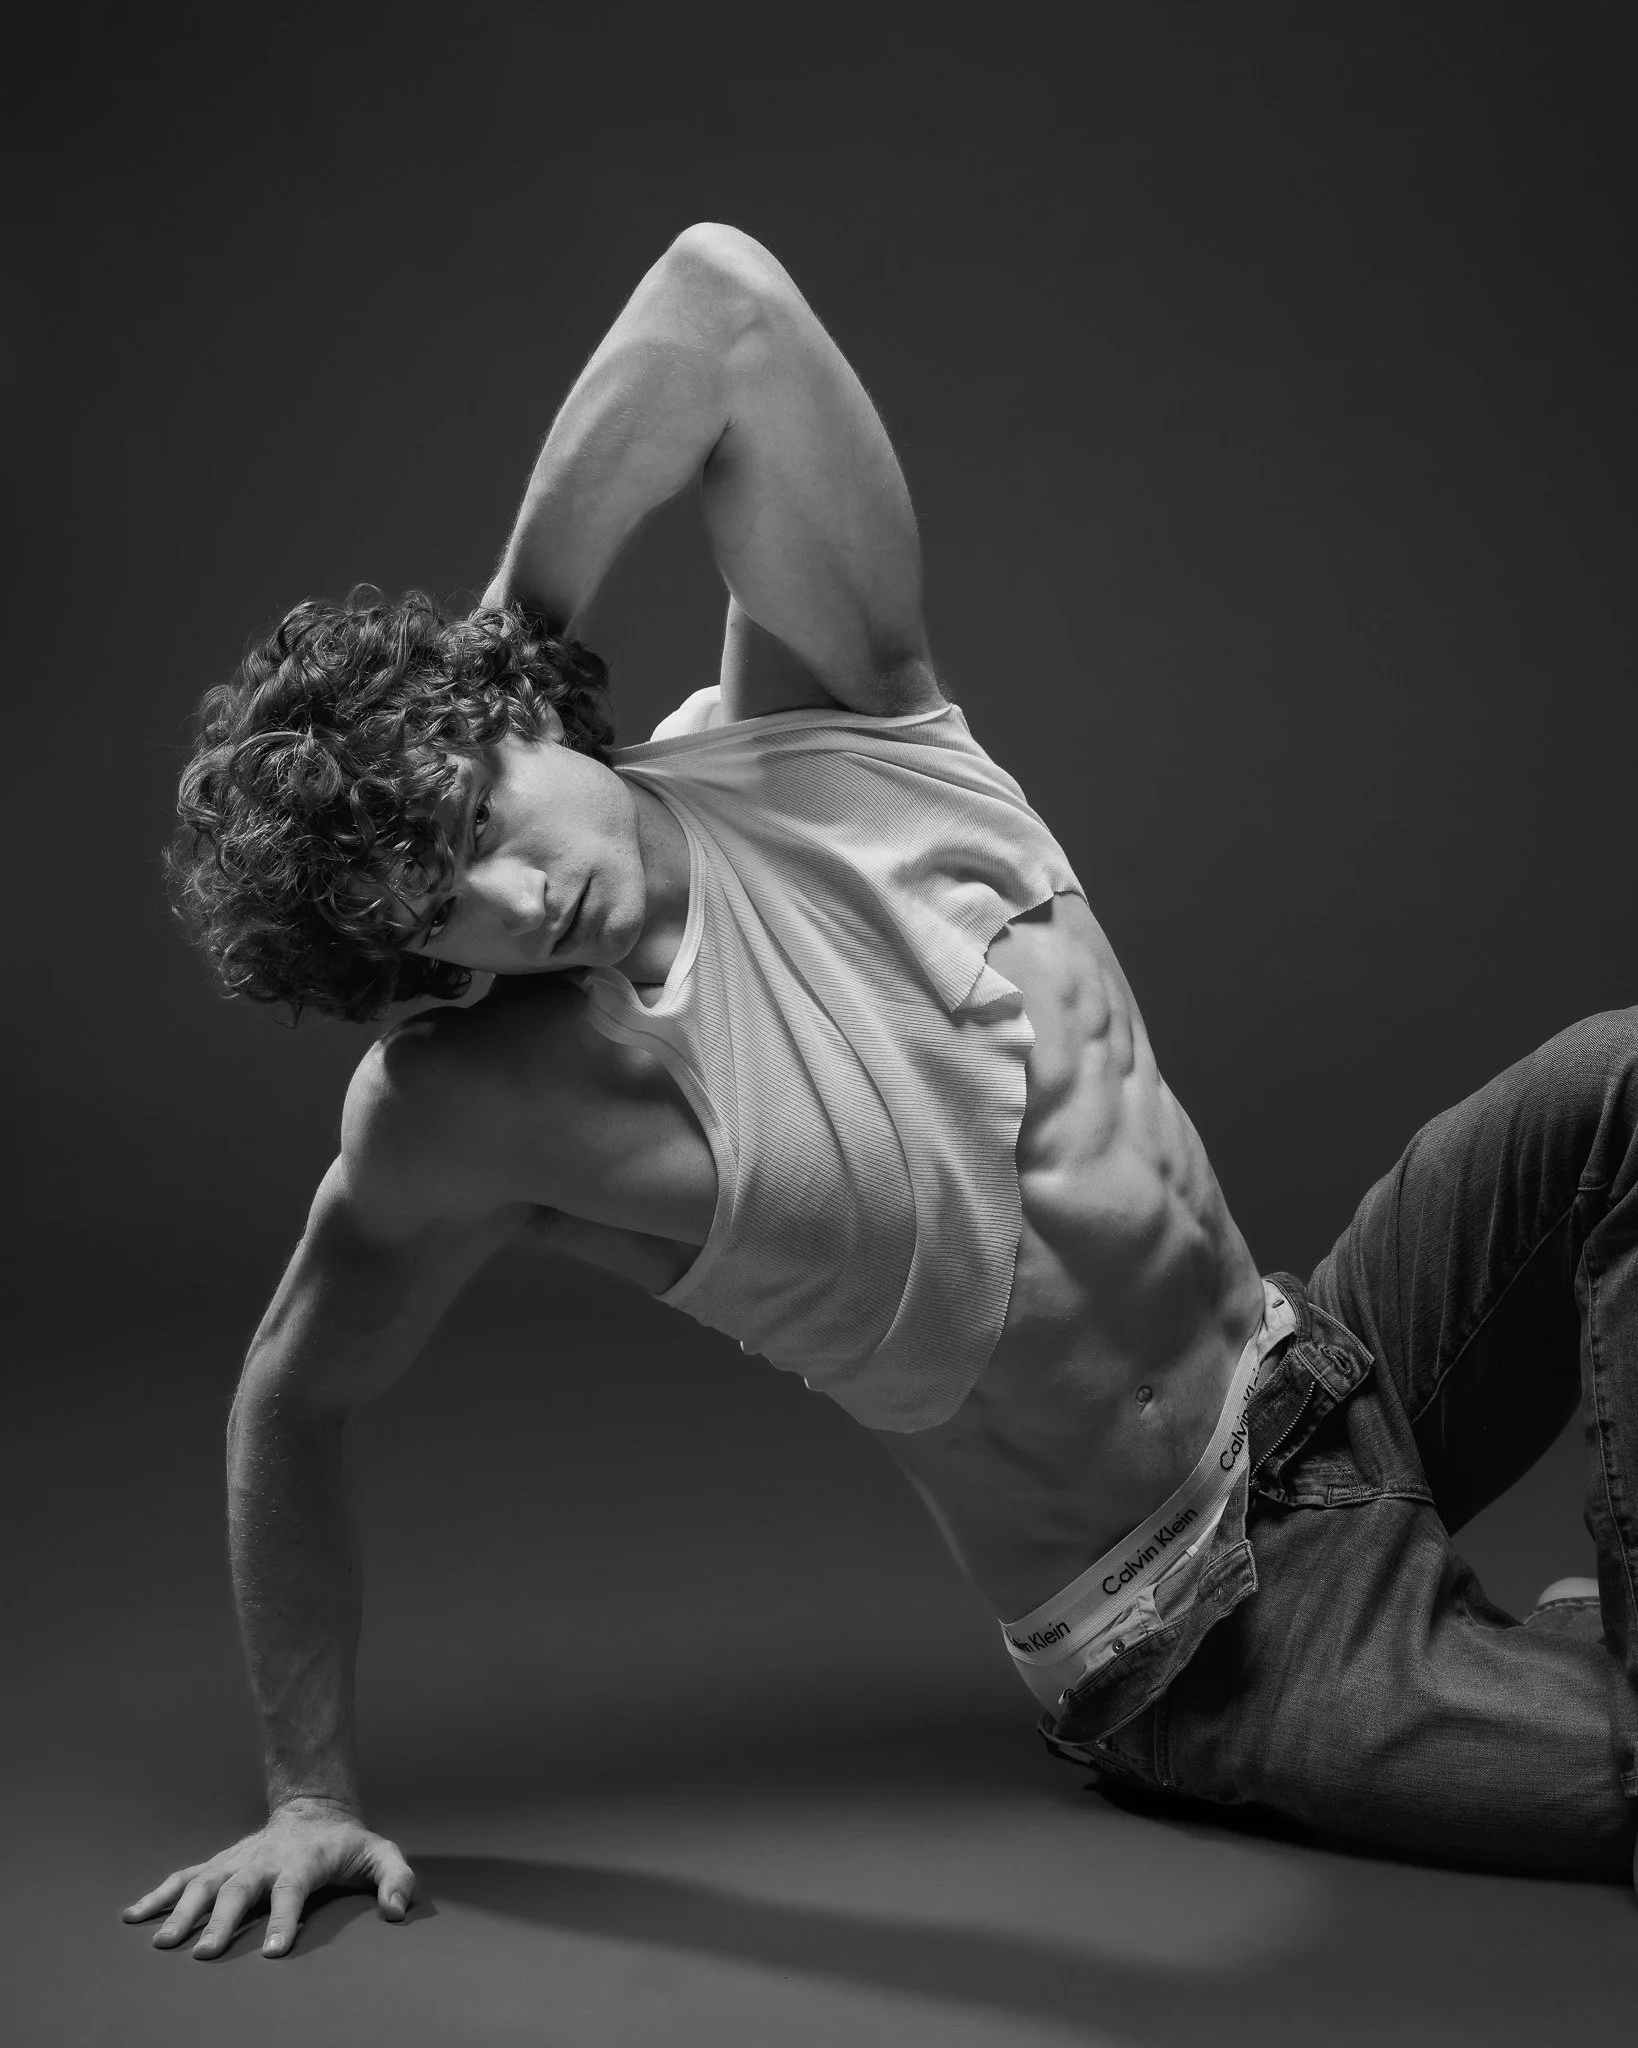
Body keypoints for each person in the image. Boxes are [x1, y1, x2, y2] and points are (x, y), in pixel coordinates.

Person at [127, 224, 1638, 1961]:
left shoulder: (832, 721)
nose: (513, 903)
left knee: (1619, 1079)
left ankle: (1558, 1664)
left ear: (519, 717)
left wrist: (501, 633)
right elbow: (291, 1393)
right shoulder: (485, 1103)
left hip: (1333, 1370)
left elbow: (718, 299)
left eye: (480, 819)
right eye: (436, 916)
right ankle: (1528, 1683)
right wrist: (308, 1794)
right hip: (1196, 1631)